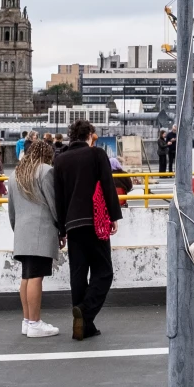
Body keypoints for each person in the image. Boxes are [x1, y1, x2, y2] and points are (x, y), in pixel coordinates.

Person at [53, 119, 121, 341]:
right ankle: (85, 310)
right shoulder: (96, 155)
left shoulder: (60, 160)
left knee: (78, 274)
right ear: (89, 134)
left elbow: (59, 198)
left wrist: (61, 229)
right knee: (104, 271)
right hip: (96, 220)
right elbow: (108, 185)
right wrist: (113, 216)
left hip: (72, 224)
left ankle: (83, 326)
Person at [7, 135, 61, 337]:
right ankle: (36, 323)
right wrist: (60, 228)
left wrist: (17, 229)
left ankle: (27, 321)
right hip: (41, 231)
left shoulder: (15, 174)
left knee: (26, 276)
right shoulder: (46, 172)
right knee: (36, 277)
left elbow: (11, 210)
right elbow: (53, 203)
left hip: (21, 231)